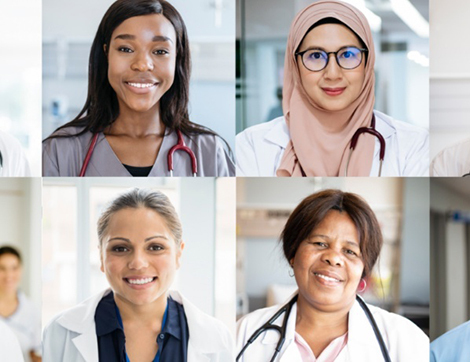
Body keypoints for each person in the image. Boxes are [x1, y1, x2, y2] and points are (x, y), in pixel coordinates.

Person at [236, 0, 428, 177]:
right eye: (316, 56)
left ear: (367, 64)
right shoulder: (250, 146)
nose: (333, 73)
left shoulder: (412, 144)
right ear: (295, 66)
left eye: (348, 54)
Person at [43, 0, 234, 177]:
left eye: (160, 51)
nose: (143, 65)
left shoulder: (209, 151)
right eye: (126, 49)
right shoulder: (59, 151)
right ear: (106, 53)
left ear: (177, 58)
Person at [43, 188, 234, 361]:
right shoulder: (58, 334)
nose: (138, 263)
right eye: (120, 248)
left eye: (155, 247)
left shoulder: (217, 339)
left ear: (178, 254)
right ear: (101, 257)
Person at [237, 189, 429, 361]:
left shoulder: (405, 341)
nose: (333, 258)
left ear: (363, 271)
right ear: (293, 253)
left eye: (350, 251)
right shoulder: (245, 334)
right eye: (320, 243)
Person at [0, 246, 41, 362]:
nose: (8, 275)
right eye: (2, 268)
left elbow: (37, 354)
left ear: (21, 269)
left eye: (14, 268)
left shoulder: (31, 311)